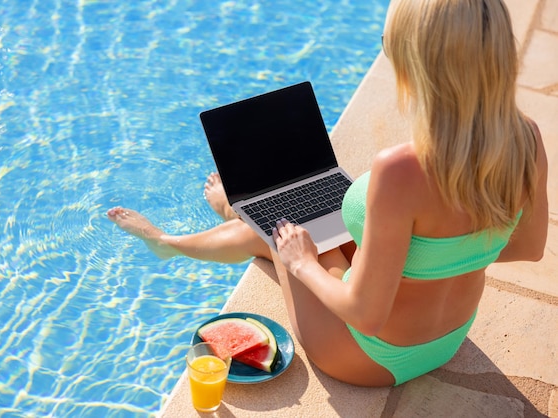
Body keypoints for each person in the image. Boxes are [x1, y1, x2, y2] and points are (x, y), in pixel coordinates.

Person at [107, 0, 548, 387]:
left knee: (286, 235)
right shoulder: (526, 138)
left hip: (368, 356)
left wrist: (302, 264)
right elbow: (529, 248)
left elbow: (366, 315)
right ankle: (220, 221)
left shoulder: (401, 170)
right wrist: (430, 259)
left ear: (419, 64)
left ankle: (176, 240)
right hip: (447, 340)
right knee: (326, 233)